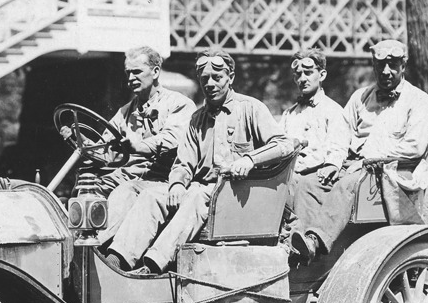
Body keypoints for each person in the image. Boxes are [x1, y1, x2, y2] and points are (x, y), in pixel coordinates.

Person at [102, 49, 296, 274]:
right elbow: (183, 163)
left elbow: (284, 144)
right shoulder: (197, 119)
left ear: (231, 78)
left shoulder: (250, 108)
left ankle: (153, 265)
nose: (210, 84)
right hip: (201, 190)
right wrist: (177, 183)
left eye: (217, 77)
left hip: (238, 191)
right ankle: (117, 260)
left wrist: (250, 159)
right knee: (151, 195)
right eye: (205, 79)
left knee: (197, 196)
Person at [290, 39, 428, 261]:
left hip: (392, 171)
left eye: (392, 65)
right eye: (380, 65)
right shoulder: (360, 97)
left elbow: (414, 146)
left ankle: (315, 239)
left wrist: (369, 161)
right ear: (374, 67)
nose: (386, 71)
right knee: (309, 183)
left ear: (403, 66)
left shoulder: (418, 100)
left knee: (348, 183)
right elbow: (341, 135)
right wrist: (333, 163)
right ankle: (302, 248)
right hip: (353, 166)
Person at [61, 46, 196, 242]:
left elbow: (172, 138)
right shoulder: (125, 111)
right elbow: (105, 152)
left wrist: (137, 146)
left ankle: (97, 247)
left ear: (155, 71)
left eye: (137, 72)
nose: (131, 78)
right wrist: (81, 142)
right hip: (124, 176)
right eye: (128, 73)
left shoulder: (178, 104)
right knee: (87, 188)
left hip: (160, 178)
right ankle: (73, 241)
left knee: (124, 191)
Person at [279, 48, 350, 252]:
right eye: (298, 74)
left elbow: (339, 145)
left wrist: (332, 164)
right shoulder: (289, 114)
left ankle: (303, 246)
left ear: (322, 75)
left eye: (308, 73)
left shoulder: (333, 110)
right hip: (291, 173)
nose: (302, 78)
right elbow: (278, 143)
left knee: (304, 186)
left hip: (319, 175)